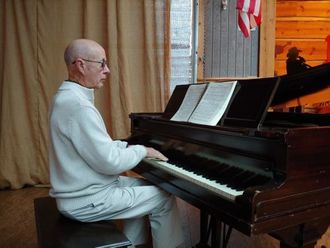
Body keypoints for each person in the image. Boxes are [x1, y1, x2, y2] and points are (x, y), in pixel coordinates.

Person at [48, 39, 184, 248]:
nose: (107, 70)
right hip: (86, 200)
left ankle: (129, 244)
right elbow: (110, 163)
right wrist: (142, 149)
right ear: (81, 65)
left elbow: (97, 149)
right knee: (164, 196)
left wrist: (125, 146)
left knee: (151, 187)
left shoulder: (67, 98)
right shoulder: (78, 106)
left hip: (87, 191)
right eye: (102, 63)